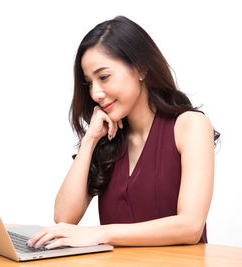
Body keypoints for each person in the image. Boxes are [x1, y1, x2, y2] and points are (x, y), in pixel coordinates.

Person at [27, 15, 219, 249]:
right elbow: (64, 219)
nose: (96, 93)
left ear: (140, 68)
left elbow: (190, 227)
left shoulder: (191, 126)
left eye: (104, 77)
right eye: (89, 83)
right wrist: (89, 140)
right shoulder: (108, 138)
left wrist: (101, 233)